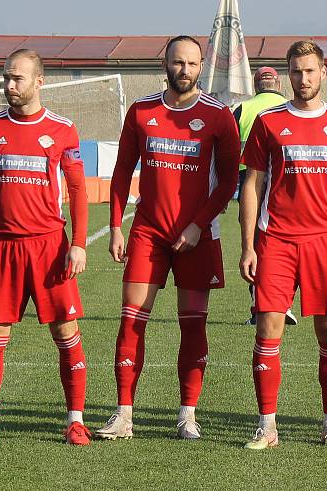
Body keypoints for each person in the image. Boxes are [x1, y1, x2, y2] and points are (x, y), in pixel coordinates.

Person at [96, 35, 240, 441]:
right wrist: (116, 226)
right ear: (165, 64)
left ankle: (187, 415)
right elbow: (122, 172)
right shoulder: (142, 111)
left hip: (199, 234)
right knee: (131, 321)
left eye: (193, 64)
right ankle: (124, 415)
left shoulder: (218, 115)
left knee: (192, 324)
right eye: (179, 63)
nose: (186, 71)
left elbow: (229, 179)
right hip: (148, 233)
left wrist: (198, 223)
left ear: (201, 67)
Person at [239, 40, 327, 449]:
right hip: (275, 239)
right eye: (296, 71)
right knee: (267, 329)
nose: (303, 78)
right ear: (288, 74)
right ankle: (268, 425)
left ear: (323, 72)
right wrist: (248, 245)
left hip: (326, 242)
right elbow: (252, 184)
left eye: (310, 71)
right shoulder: (269, 122)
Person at [0, 49, 91, 445]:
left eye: (17, 78)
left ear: (39, 81)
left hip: (50, 247)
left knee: (67, 333)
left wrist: (79, 244)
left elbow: (80, 190)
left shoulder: (63, 130)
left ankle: (75, 420)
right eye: (6, 78)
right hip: (2, 249)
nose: (9, 85)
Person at [233, 66, 297, 327]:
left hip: (249, 181)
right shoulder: (290, 106)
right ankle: (286, 303)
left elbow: (227, 151)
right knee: (288, 242)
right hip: (285, 181)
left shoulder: (242, 109)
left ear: (256, 84)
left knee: (257, 245)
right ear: (279, 84)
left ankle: (260, 307)